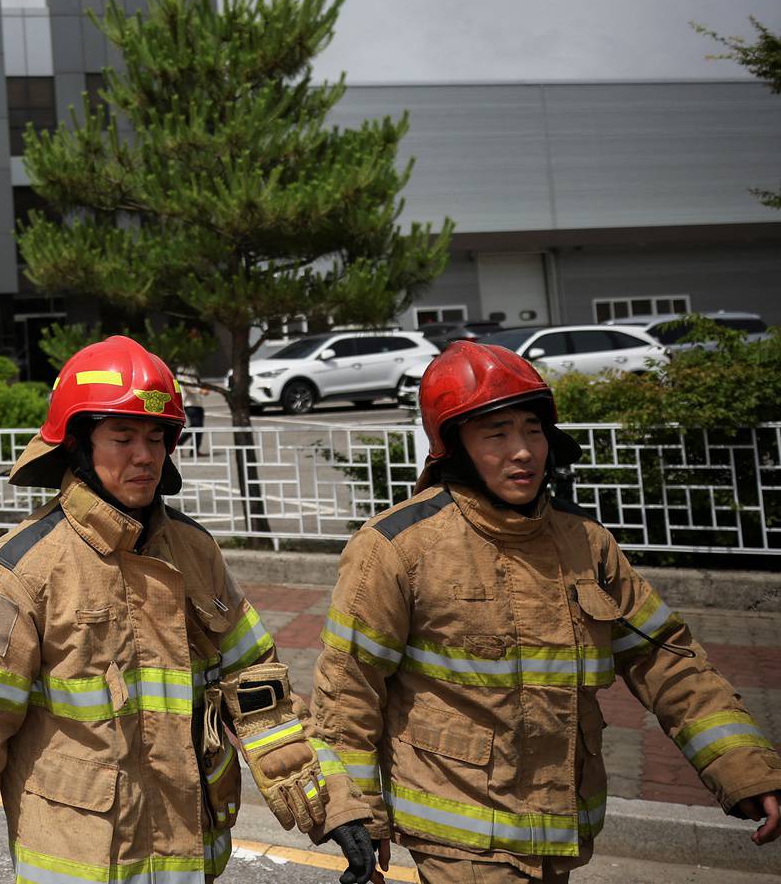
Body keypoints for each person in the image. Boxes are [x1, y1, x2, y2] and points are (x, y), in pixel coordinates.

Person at [310, 340, 781, 884]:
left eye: (532, 430)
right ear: (455, 447)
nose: (523, 451)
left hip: (564, 832)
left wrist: (744, 769)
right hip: (457, 837)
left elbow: (668, 661)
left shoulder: (585, 543)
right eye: (497, 434)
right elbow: (348, 693)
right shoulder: (398, 547)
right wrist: (356, 816)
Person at [0, 336, 360, 884]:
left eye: (157, 437)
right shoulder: (22, 570)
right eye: (122, 437)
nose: (146, 456)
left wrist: (336, 807)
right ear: (77, 444)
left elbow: (259, 687)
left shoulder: (195, 552)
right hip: (78, 866)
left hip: (189, 860)